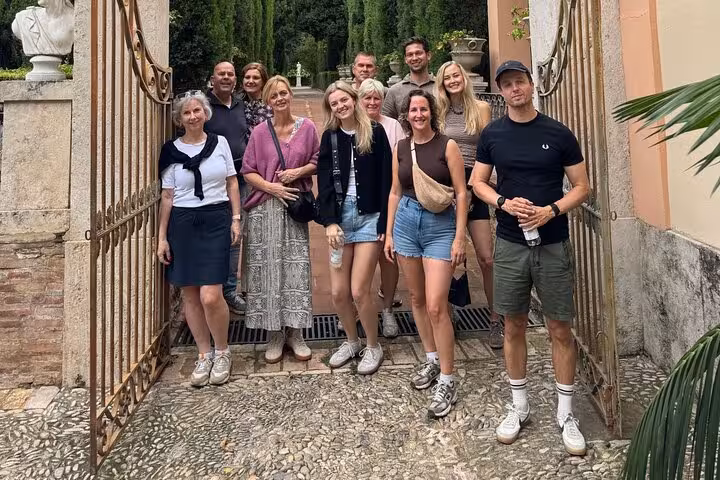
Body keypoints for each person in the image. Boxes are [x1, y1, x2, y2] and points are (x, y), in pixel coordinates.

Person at [471, 60, 590, 455]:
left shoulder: (557, 133)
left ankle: (566, 412)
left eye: (519, 82)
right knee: (513, 325)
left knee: (559, 327)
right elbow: (478, 183)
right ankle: (519, 405)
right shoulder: (493, 133)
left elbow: (581, 187)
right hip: (510, 242)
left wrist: (551, 210)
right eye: (507, 85)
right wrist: (503, 203)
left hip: (553, 241)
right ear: (501, 92)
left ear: (531, 85)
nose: (514, 89)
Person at [384, 89, 468, 418]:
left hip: (440, 227)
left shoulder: (447, 146)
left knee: (436, 305)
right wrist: (390, 232)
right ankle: (431, 359)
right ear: (406, 115)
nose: (418, 114)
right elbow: (394, 190)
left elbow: (462, 193)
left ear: (431, 113)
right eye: (413, 110)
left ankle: (448, 378)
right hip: (406, 223)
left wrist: (460, 238)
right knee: (417, 300)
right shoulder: (400, 147)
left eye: (423, 109)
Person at [158, 91, 242, 387]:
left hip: (216, 219)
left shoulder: (219, 143)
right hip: (182, 224)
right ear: (179, 119)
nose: (193, 116)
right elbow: (167, 197)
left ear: (205, 113)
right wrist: (161, 238)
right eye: (186, 113)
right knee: (190, 295)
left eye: (197, 111)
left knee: (211, 294)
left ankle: (223, 351)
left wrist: (235, 218)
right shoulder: (171, 151)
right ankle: (204, 355)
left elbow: (232, 182)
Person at [240, 76, 318, 364]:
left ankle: (296, 332)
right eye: (274, 95)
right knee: (268, 271)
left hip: (294, 207)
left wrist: (296, 173)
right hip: (264, 208)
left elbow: (317, 160)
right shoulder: (260, 132)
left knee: (295, 268)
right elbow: (248, 170)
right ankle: (274, 334)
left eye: (284, 93)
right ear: (267, 101)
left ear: (290, 95)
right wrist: (271, 187)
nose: (281, 98)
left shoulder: (307, 128)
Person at [317, 81, 393, 375]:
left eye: (343, 100)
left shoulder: (375, 132)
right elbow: (323, 182)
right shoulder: (330, 137)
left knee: (360, 289)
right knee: (338, 292)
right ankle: (352, 341)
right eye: (334, 103)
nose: (340, 106)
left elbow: (388, 181)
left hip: (369, 217)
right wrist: (330, 221)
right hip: (340, 219)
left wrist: (386, 223)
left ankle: (373, 346)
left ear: (354, 99)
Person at [435, 61, 504, 349]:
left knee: (487, 257)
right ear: (441, 82)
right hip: (446, 185)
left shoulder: (481, 108)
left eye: (456, 75)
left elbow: (488, 149)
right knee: (445, 257)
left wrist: (479, 184)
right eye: (447, 77)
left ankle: (496, 319)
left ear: (464, 78)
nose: (452, 80)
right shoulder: (438, 110)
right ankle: (448, 314)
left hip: (474, 181)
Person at [357, 78, 406, 338]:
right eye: (368, 98)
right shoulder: (353, 126)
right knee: (358, 260)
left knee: (388, 257)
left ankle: (387, 310)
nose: (373, 102)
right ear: (360, 100)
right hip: (361, 204)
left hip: (389, 198)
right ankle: (358, 309)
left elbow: (402, 159)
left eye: (377, 98)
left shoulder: (393, 126)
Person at [204, 61, 248, 316]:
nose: (226, 77)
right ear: (213, 78)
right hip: (214, 182)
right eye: (221, 73)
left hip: (240, 179)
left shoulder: (242, 105)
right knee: (213, 234)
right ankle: (212, 287)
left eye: (230, 74)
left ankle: (230, 291)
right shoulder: (204, 106)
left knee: (235, 234)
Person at [382, 37, 436, 120]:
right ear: (405, 59)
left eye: (418, 53)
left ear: (428, 55)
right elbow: (386, 124)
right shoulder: (394, 91)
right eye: (410, 55)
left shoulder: (440, 86)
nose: (414, 58)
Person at [240, 62, 274, 131]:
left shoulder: (272, 105)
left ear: (263, 82)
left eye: (256, 78)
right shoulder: (237, 104)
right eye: (247, 77)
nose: (251, 81)